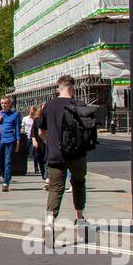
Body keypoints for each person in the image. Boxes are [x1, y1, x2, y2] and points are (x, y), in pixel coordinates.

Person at [40, 74, 97, 234]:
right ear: (72, 88)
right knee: (78, 183)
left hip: (56, 154)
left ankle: (50, 223)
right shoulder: (79, 104)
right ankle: (80, 219)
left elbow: (42, 131)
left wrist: (49, 142)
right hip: (77, 153)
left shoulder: (49, 106)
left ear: (59, 88)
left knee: (55, 188)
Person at [0, 95, 21, 192]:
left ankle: (6, 183)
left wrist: (18, 142)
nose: (4, 105)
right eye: (2, 103)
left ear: (9, 104)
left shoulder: (15, 115)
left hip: (10, 140)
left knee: (8, 162)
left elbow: (17, 129)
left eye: (6, 103)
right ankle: (6, 177)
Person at [30, 105, 48, 184]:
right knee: (40, 158)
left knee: (47, 159)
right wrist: (34, 140)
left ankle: (47, 177)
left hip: (47, 142)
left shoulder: (49, 119)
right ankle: (44, 175)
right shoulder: (37, 119)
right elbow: (33, 132)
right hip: (38, 142)